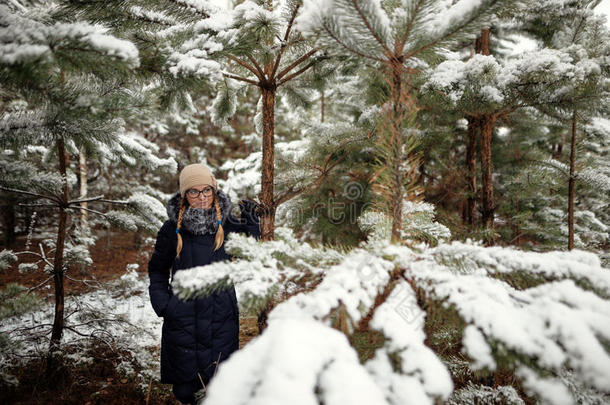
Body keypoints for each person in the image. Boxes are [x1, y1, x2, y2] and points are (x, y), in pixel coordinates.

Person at [147, 163, 260, 405]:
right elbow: (157, 269)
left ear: (214, 190)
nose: (201, 197)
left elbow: (255, 253)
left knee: (220, 387)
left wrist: (253, 224)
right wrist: (164, 304)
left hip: (221, 317)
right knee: (186, 391)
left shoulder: (229, 225)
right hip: (182, 318)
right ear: (184, 195)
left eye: (206, 190)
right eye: (194, 191)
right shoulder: (171, 229)